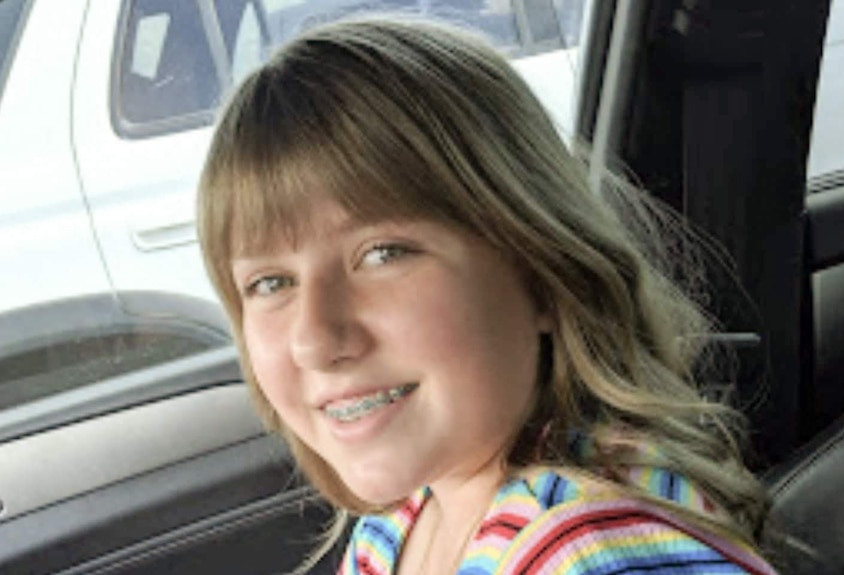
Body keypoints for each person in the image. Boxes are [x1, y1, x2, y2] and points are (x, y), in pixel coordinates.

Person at [197, 16, 779, 575]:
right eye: (270, 283)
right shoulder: (402, 522)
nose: (315, 339)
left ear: (542, 275)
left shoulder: (592, 556)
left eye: (383, 253)